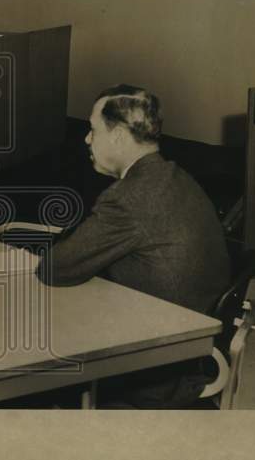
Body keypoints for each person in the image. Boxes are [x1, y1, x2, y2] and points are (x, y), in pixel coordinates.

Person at [36, 84, 230, 408]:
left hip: (156, 366)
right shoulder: (176, 176)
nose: (86, 139)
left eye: (93, 130)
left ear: (119, 138)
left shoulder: (128, 198)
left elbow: (54, 269)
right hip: (195, 340)